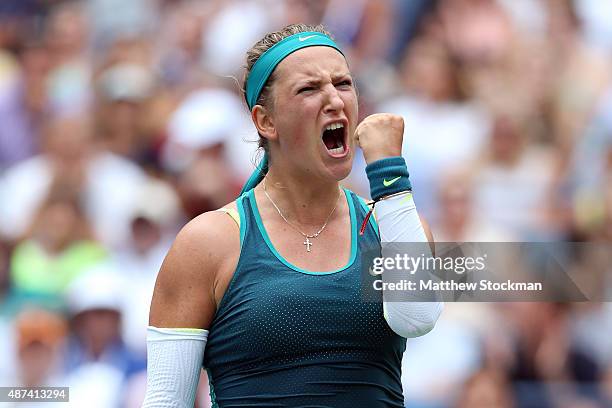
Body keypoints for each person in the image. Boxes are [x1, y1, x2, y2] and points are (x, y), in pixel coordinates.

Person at [143, 23, 443, 407]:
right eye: (309, 88)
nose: (334, 99)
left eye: (344, 83)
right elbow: (166, 401)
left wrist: (391, 179)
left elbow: (417, 318)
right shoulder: (207, 243)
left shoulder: (398, 224)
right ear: (266, 122)